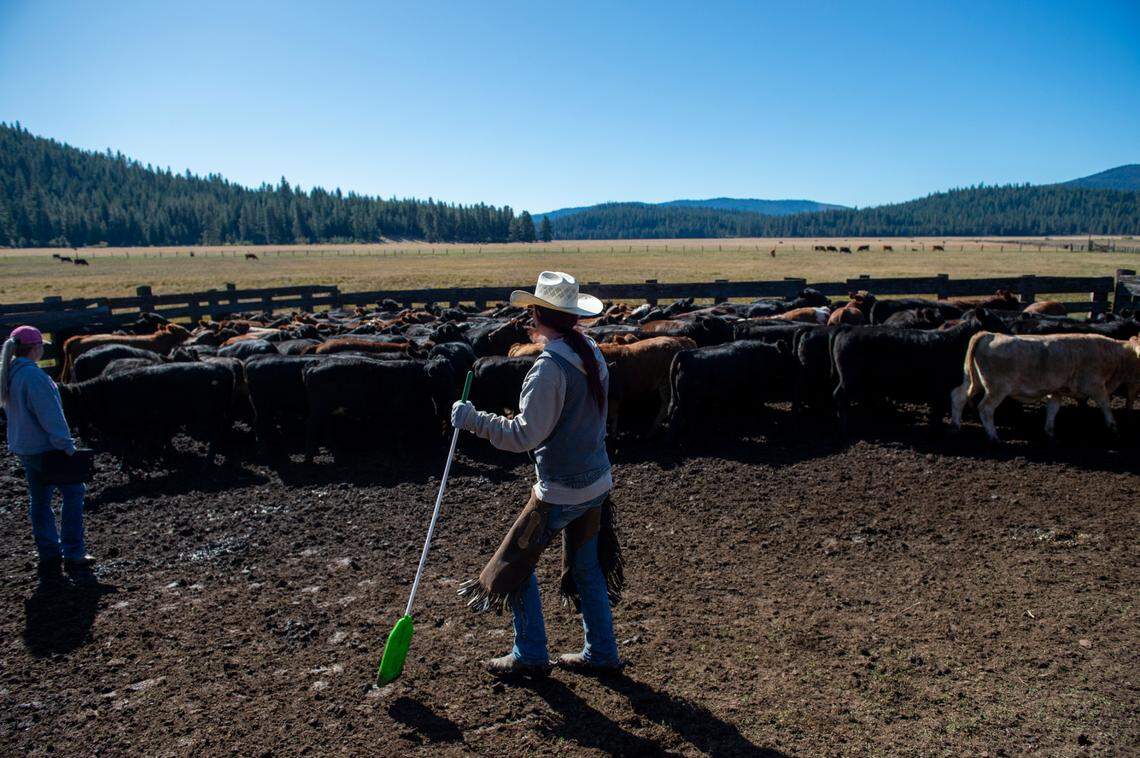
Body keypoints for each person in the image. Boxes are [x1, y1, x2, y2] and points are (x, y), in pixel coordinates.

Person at [451, 271, 624, 676]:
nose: (528, 316)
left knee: (516, 565)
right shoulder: (591, 353)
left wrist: (473, 419)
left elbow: (525, 435)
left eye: (532, 309)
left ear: (541, 314)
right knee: (587, 567)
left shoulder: (549, 369)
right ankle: (602, 651)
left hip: (561, 489)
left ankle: (530, 653)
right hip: (596, 481)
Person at [0, 325, 94, 587]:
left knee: (40, 500)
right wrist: (67, 446)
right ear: (35, 348)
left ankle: (48, 553)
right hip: (46, 448)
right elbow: (51, 416)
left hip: (25, 448)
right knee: (74, 492)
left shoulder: (9, 373)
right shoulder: (34, 377)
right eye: (41, 346)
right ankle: (74, 552)